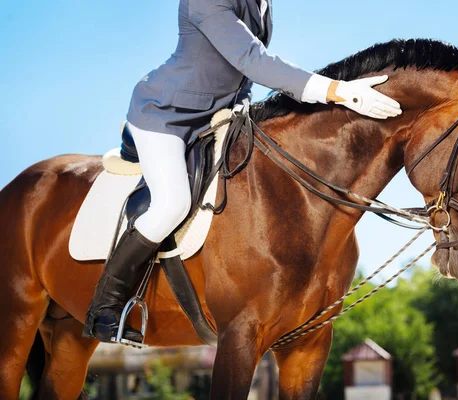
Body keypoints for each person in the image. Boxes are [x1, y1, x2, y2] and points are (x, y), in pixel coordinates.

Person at [83, 0, 402, 344]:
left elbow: (239, 72)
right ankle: (105, 307)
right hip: (166, 115)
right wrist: (337, 91)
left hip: (216, 116)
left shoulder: (260, 4)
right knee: (172, 202)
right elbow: (251, 59)